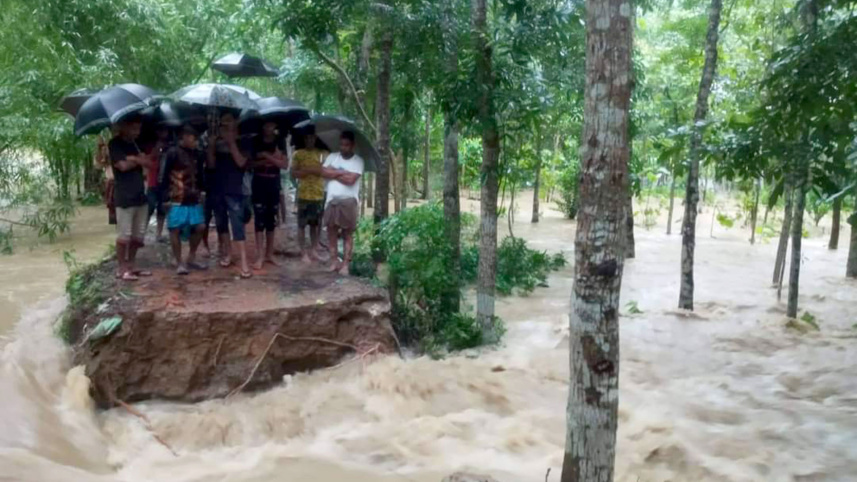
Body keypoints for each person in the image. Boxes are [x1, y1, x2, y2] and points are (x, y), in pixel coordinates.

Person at [207, 112, 252, 278]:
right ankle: (229, 253)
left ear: (235, 123)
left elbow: (242, 163)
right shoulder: (216, 141)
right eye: (223, 123)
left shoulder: (244, 141)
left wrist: (231, 142)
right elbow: (211, 165)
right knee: (221, 222)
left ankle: (244, 261)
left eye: (228, 122)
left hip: (235, 188)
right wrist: (211, 146)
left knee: (238, 223)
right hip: (217, 187)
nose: (225, 125)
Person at [159, 125, 207, 275]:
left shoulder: (197, 154)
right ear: (184, 137)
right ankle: (179, 262)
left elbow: (200, 174)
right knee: (175, 229)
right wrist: (165, 198)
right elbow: (163, 176)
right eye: (193, 138)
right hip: (176, 197)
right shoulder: (171, 153)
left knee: (200, 227)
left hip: (194, 197)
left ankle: (191, 257)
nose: (195, 141)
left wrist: (203, 191)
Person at [109, 116, 152, 281]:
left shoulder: (138, 143)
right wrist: (137, 159)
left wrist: (134, 159)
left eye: (139, 129)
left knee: (137, 236)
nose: (137, 132)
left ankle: (131, 266)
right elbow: (122, 166)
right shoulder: (115, 144)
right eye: (134, 128)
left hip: (140, 194)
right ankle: (121, 268)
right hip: (124, 196)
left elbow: (149, 163)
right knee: (124, 236)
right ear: (124, 128)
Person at [322, 131, 364, 275]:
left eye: (346, 145)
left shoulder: (358, 161)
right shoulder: (332, 157)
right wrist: (343, 173)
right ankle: (334, 261)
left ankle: (345, 264)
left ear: (352, 145)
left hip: (349, 202)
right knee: (331, 232)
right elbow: (323, 172)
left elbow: (351, 180)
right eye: (341, 144)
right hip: (332, 201)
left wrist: (334, 172)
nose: (343, 147)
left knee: (348, 234)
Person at [251, 121, 288, 270]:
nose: (269, 128)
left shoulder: (280, 141)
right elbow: (250, 164)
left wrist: (266, 156)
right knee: (259, 219)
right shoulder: (256, 140)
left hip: (274, 182)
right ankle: (260, 255)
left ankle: (269, 254)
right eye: (266, 125)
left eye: (272, 125)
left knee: (271, 219)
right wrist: (273, 158)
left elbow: (284, 165)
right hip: (259, 182)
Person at [291, 126, 328, 264]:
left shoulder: (323, 154)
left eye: (312, 137)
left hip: (318, 194)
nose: (310, 140)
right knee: (301, 225)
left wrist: (307, 170)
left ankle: (314, 250)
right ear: (304, 139)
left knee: (315, 225)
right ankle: (303, 252)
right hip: (303, 194)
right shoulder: (298, 154)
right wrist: (311, 170)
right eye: (307, 138)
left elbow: (324, 171)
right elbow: (294, 173)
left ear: (316, 138)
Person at [145, 126, 170, 243]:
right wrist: (157, 149)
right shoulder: (150, 144)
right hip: (152, 181)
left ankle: (159, 234)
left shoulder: (169, 146)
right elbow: (147, 160)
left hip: (164, 182)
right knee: (149, 207)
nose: (163, 132)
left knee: (162, 209)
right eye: (161, 130)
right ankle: (141, 234)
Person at [94, 127, 119, 225]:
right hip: (110, 181)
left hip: (117, 182)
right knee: (112, 206)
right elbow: (98, 165)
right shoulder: (104, 157)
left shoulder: (115, 151)